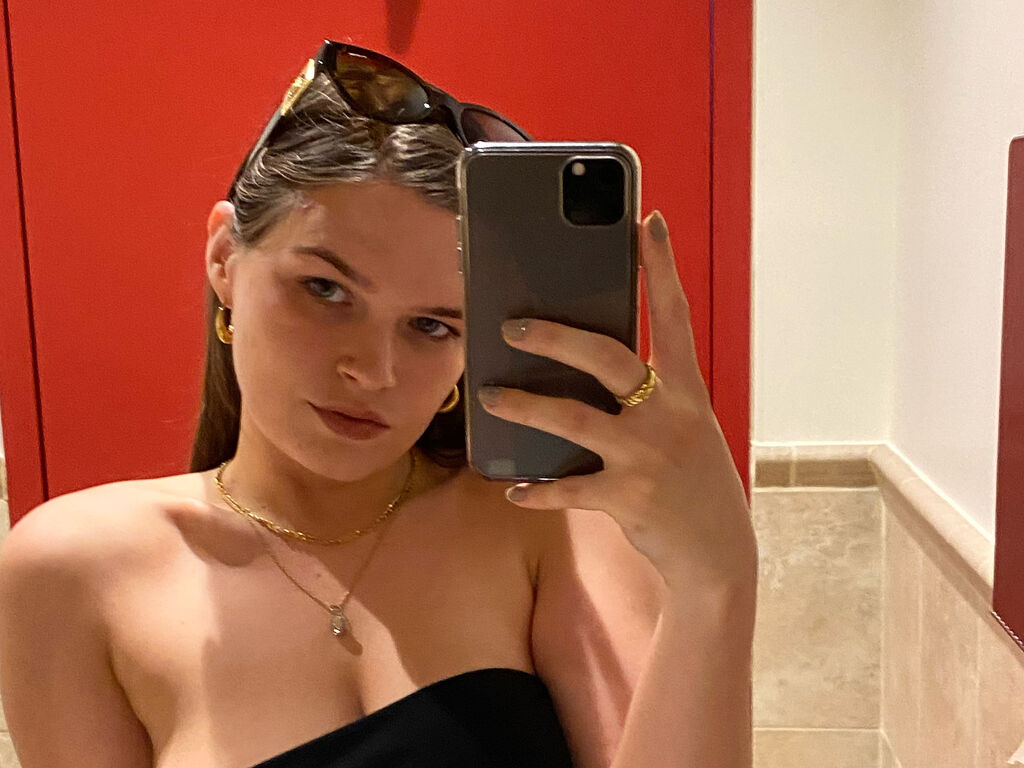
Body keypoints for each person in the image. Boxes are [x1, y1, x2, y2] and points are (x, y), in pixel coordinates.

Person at [0, 40, 758, 768]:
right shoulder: (77, 572)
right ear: (225, 258)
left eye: (432, 326)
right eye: (324, 289)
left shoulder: (545, 524)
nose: (373, 370)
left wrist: (716, 579)